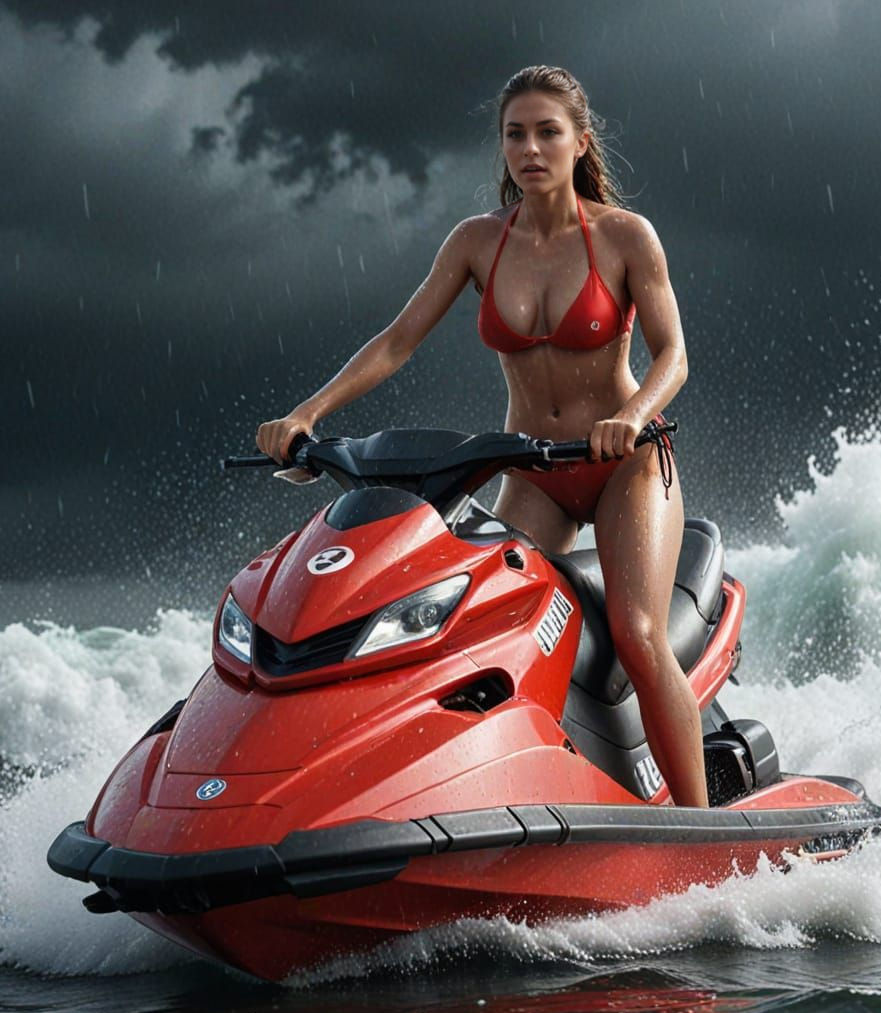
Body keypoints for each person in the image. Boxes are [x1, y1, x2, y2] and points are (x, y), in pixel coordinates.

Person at [255, 65, 708, 808]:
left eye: (547, 132)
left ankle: (699, 833)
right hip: (531, 472)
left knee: (635, 632)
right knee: (471, 621)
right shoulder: (476, 242)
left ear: (579, 142)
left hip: (625, 463)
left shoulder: (625, 237)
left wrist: (629, 417)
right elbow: (397, 342)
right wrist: (309, 412)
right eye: (515, 134)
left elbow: (674, 356)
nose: (530, 147)